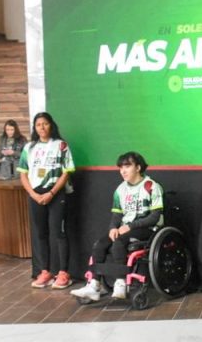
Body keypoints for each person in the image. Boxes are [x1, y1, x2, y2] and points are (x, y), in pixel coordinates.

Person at [71, 151, 163, 302]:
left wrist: (131, 226)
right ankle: (94, 285)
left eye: (127, 166)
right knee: (100, 245)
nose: (123, 171)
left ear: (138, 167)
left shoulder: (151, 186)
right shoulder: (120, 189)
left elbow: (154, 217)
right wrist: (113, 227)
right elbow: (116, 215)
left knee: (119, 243)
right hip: (126, 228)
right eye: (120, 168)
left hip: (148, 228)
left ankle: (121, 282)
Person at [19, 112, 75, 289]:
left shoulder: (61, 145)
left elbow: (66, 172)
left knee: (59, 233)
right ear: (34, 128)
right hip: (35, 195)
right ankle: (45, 272)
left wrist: (51, 193)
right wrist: (33, 194)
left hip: (55, 194)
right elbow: (23, 174)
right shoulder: (29, 148)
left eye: (45, 123)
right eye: (38, 124)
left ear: (51, 125)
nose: (42, 127)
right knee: (40, 233)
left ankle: (63, 273)